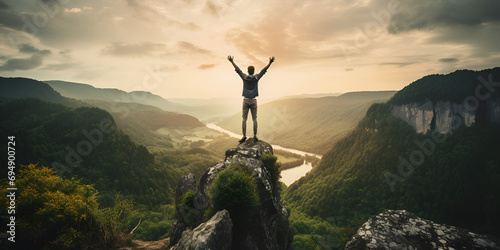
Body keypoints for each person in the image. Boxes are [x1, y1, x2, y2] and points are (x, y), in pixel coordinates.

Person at [227, 55, 275, 143]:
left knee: (244, 119)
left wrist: (231, 61)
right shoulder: (256, 78)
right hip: (253, 100)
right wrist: (270, 63)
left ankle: (244, 136)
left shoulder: (244, 77)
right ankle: (255, 136)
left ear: (248, 71)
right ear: (253, 71)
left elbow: (238, 69)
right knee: (254, 119)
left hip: (245, 100)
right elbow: (263, 71)